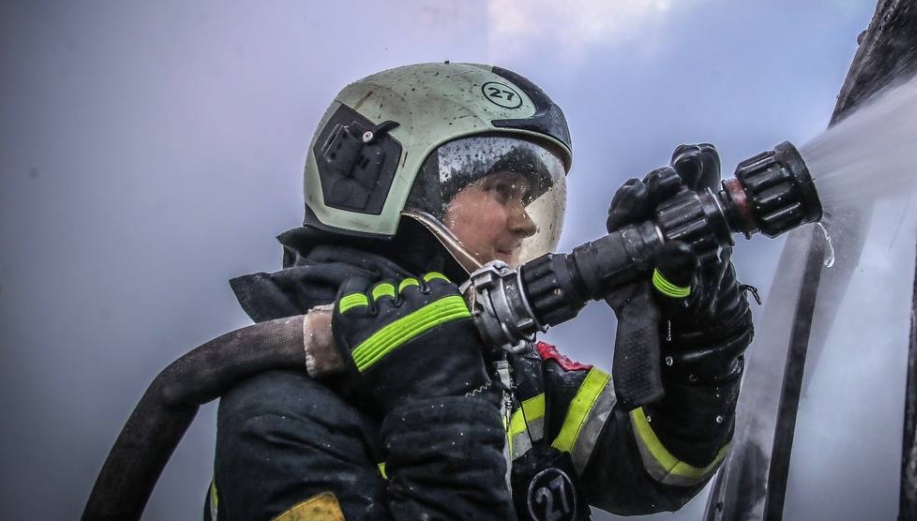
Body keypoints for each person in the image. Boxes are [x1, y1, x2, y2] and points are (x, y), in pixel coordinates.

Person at [207, 62, 754, 520]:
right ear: (390, 185)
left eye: (528, 197)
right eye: (501, 190)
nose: (526, 225)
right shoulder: (277, 418)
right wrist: (437, 407)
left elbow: (663, 467)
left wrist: (699, 332)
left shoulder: (516, 369)